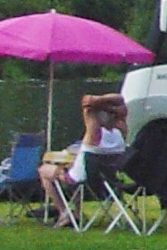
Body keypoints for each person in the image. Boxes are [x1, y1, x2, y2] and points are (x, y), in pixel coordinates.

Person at [40, 94, 128, 224]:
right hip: (109, 184)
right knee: (74, 168)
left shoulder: (93, 134)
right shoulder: (121, 133)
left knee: (44, 170)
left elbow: (87, 101)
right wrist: (106, 104)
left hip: (83, 183)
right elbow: (120, 100)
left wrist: (98, 103)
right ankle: (75, 213)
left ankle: (65, 213)